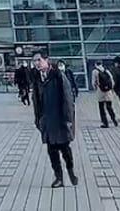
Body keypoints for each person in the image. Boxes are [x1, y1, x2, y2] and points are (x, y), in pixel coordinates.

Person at [31, 52, 77, 188]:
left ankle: (71, 172)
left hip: (60, 120)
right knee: (52, 152)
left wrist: (68, 120)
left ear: (47, 60)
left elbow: (68, 99)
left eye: (39, 60)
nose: (36, 63)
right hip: (46, 121)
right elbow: (36, 101)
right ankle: (59, 178)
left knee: (65, 149)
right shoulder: (37, 79)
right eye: (34, 61)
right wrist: (38, 120)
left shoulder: (58, 76)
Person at [91, 60, 117, 128]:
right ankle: (114, 120)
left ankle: (105, 123)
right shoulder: (107, 71)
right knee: (109, 107)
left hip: (100, 91)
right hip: (108, 92)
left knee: (102, 108)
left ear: (95, 64)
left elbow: (93, 82)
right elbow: (112, 81)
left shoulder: (95, 71)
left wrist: (95, 89)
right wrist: (111, 89)